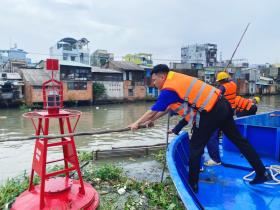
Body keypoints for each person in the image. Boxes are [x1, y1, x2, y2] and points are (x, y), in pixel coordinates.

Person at [129, 64, 270, 193]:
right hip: (223, 105)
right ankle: (262, 172)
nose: (154, 84)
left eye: (154, 80)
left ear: (162, 76)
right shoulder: (177, 79)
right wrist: (150, 121)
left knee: (195, 149)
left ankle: (192, 186)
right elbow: (164, 109)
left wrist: (136, 123)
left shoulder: (168, 89)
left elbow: (153, 110)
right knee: (240, 141)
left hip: (210, 113)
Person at [204, 71, 237, 166]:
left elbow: (214, 97)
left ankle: (215, 159)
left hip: (221, 113)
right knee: (225, 134)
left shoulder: (223, 87)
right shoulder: (233, 84)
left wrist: (215, 89)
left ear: (221, 81)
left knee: (211, 136)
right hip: (230, 112)